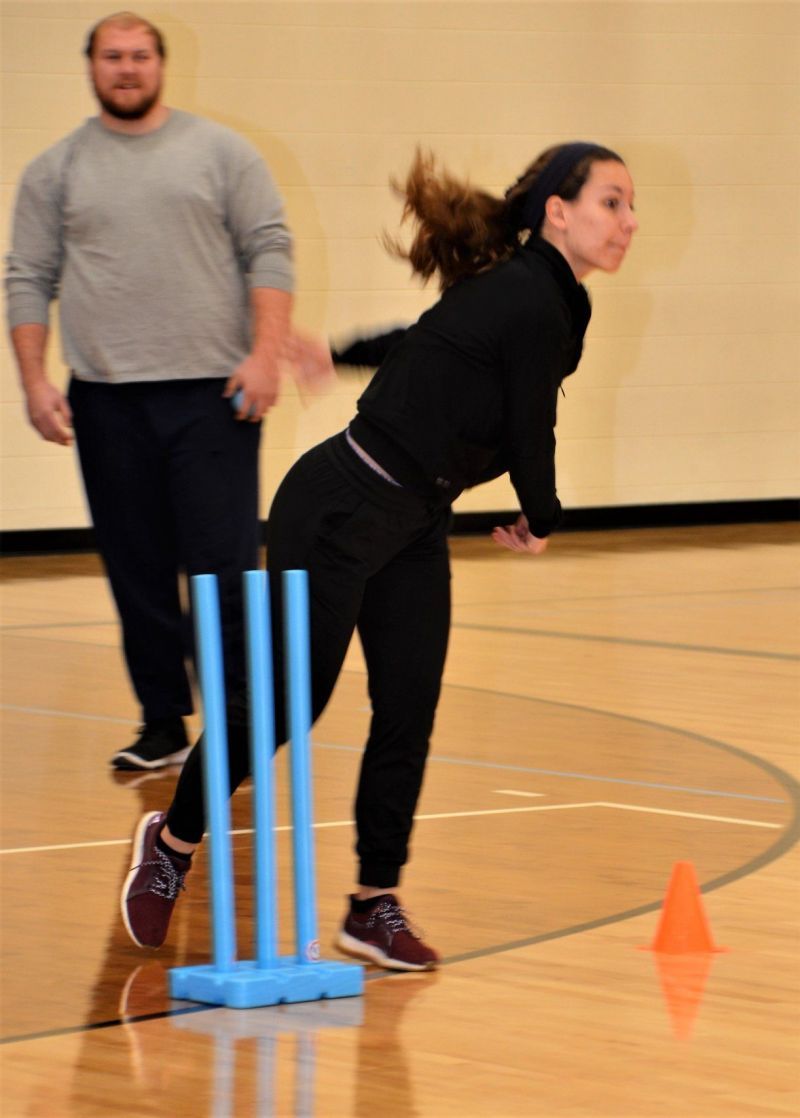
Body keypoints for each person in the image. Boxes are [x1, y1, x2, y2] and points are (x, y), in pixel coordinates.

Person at [120, 141, 638, 971]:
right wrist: (541, 515)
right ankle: (173, 842)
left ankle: (372, 904)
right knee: (292, 705)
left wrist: (346, 348)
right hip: (339, 502)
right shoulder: (530, 297)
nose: (628, 221)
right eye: (612, 202)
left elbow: (432, 337)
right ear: (559, 212)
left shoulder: (548, 299)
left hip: (416, 519)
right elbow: (528, 426)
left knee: (408, 708)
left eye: (629, 205)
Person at [5, 11, 296, 771]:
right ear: (91, 67)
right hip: (106, 399)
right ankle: (162, 723)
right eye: (112, 57)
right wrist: (34, 382)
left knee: (223, 569)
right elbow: (28, 279)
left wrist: (265, 357)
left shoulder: (221, 153)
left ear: (161, 65)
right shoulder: (56, 169)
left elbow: (269, 248)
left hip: (214, 396)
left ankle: (237, 726)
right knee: (136, 569)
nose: (127, 68)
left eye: (139, 56)